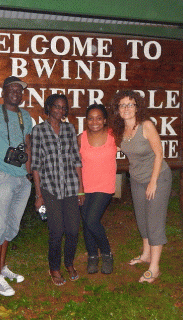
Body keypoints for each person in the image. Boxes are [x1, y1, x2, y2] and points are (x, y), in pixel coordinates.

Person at [110, 90, 172, 283]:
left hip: (158, 177)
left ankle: (155, 267)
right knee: (142, 218)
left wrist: (153, 182)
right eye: (122, 105)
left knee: (154, 221)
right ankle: (146, 255)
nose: (127, 108)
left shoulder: (146, 125)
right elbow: (109, 146)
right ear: (117, 109)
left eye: (131, 104)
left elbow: (159, 153)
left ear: (137, 107)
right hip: (136, 178)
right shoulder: (121, 130)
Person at [0, 76, 33, 297]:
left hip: (22, 178)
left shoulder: (26, 116)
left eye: (19, 90)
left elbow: (28, 144)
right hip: (1, 175)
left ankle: (2, 268)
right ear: (3, 92)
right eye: (12, 89)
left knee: (11, 227)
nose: (16, 93)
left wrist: (29, 174)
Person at [31, 94, 84, 286]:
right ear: (48, 107)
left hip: (70, 187)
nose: (60, 111)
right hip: (50, 188)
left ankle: (69, 263)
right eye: (56, 107)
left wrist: (81, 188)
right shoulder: (38, 130)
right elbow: (35, 165)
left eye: (63, 108)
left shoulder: (70, 129)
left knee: (72, 230)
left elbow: (76, 159)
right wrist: (38, 195)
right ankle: (54, 267)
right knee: (56, 231)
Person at [78, 104, 116, 274]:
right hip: (85, 186)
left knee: (92, 220)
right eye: (91, 118)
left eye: (99, 118)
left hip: (105, 185)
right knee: (86, 222)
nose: (95, 121)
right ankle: (92, 256)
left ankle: (107, 253)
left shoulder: (113, 136)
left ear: (105, 120)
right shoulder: (81, 138)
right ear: (86, 121)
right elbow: (75, 163)